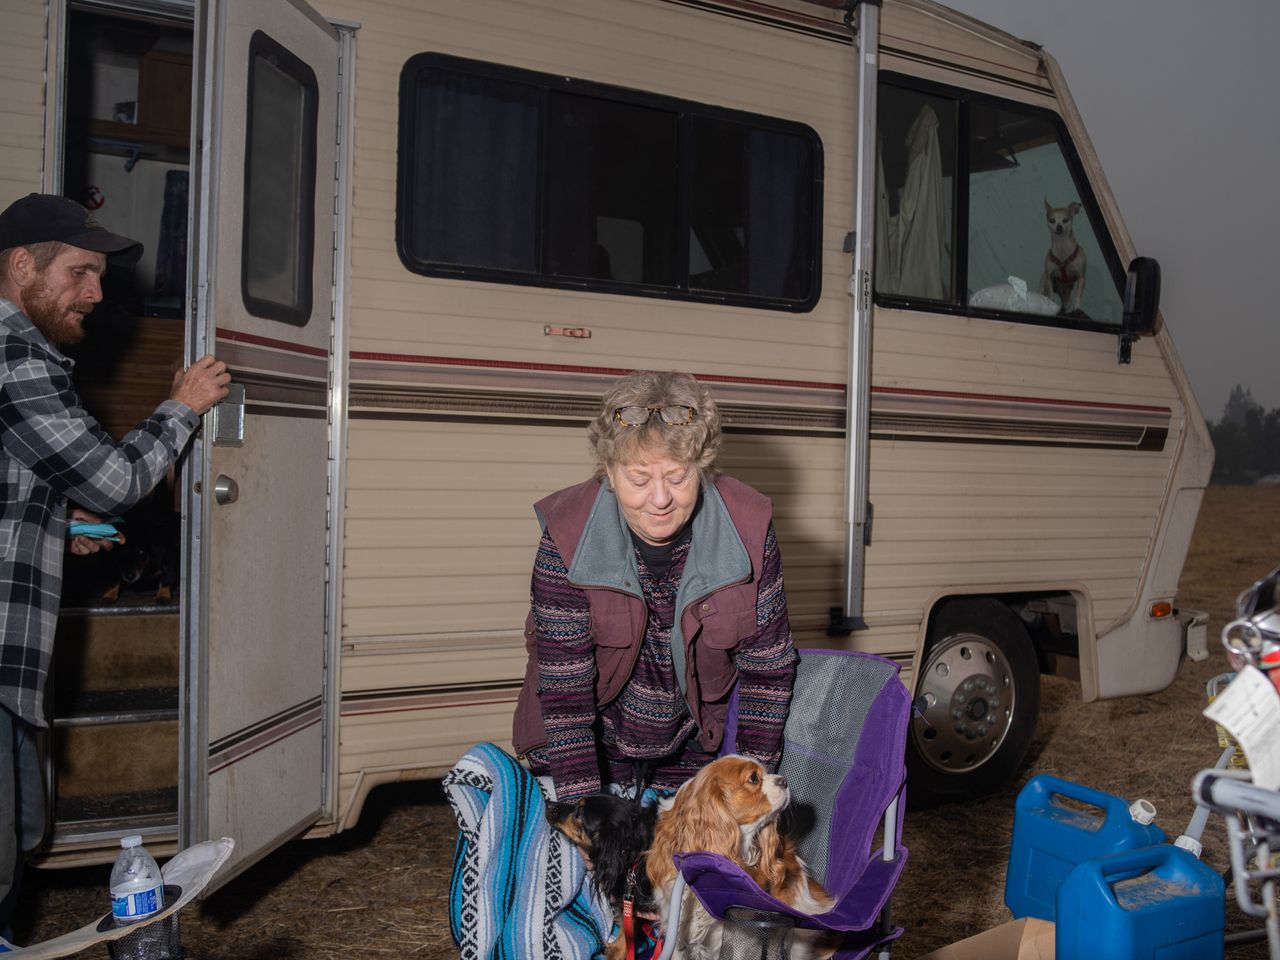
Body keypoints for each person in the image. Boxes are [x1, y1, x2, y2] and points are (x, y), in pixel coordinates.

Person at [0, 193, 231, 936]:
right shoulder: (17, 354)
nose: (96, 295)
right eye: (80, 273)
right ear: (20, 266)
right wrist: (183, 406)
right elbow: (115, 480)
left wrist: (52, 519)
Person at [512, 370, 797, 801]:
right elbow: (565, 690)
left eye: (678, 477)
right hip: (584, 748)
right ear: (609, 471)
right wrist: (587, 811)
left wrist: (745, 797)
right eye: (639, 479)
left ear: (702, 467)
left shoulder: (750, 529)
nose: (661, 499)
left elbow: (768, 673)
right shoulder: (566, 536)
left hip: (694, 745)